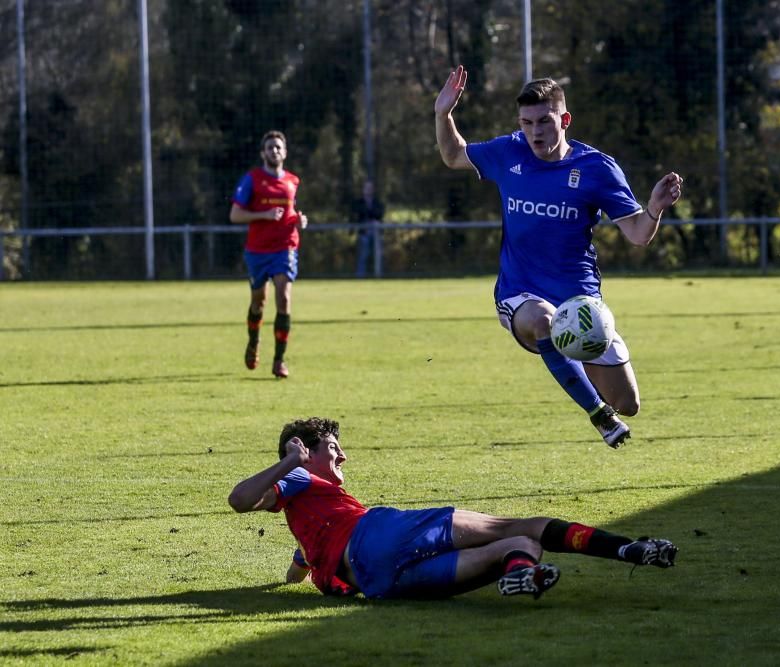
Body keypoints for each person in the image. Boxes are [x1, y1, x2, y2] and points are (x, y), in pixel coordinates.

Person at [434, 66, 684, 448]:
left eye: (544, 122)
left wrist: (653, 209)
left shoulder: (597, 168)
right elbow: (453, 156)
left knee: (628, 402)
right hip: (519, 294)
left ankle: (601, 397)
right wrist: (443, 114)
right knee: (544, 321)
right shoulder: (509, 151)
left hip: (582, 301)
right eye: (527, 122)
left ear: (564, 119)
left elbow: (637, 234)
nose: (535, 132)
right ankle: (600, 416)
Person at [228, 417, 679, 600]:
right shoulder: (301, 476)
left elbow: (301, 565)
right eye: (332, 447)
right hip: (380, 533)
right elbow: (239, 500)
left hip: (377, 581)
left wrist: (286, 580)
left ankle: (521, 574)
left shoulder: (311, 515)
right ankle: (629, 551)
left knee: (518, 546)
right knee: (529, 525)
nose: (342, 456)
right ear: (308, 453)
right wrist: (291, 460)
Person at [229, 130, 308, 379]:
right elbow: (235, 215)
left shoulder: (292, 181)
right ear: (263, 153)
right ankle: (253, 342)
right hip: (258, 250)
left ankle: (279, 360)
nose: (275, 151)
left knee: (283, 298)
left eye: (278, 147)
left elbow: (291, 211)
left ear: (284, 152)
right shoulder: (252, 179)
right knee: (258, 302)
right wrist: (263, 215)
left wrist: (299, 220)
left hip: (285, 247)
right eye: (270, 147)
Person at [353, 179, 385, 278]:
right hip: (364, 234)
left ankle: (379, 276)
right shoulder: (359, 202)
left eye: (370, 188)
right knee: (363, 255)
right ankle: (360, 276)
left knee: (378, 255)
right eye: (367, 188)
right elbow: (359, 213)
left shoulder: (377, 203)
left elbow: (379, 214)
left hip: (375, 233)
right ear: (363, 189)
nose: (368, 190)